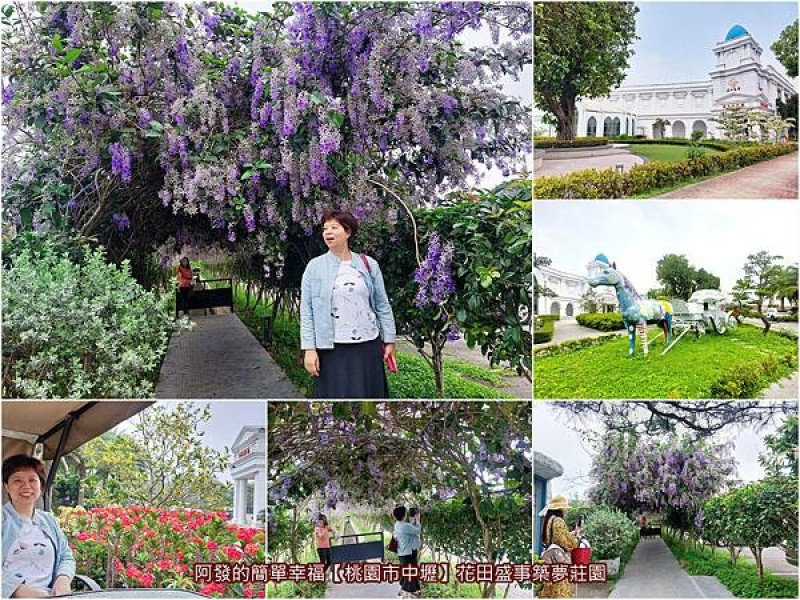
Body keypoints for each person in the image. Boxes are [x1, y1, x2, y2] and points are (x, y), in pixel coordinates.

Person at [300, 210, 397, 398]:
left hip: (367, 345)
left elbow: (382, 305)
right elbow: (307, 311)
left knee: (370, 396)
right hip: (332, 348)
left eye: (334, 228)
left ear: (348, 232)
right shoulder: (314, 267)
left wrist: (390, 340)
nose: (328, 232)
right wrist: (309, 349)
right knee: (336, 398)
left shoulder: (369, 264)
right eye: (325, 228)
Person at [2, 455, 75, 598]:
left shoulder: (49, 520)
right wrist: (18, 590)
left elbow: (66, 556)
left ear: (41, 486)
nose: (26, 486)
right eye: (17, 480)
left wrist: (63, 579)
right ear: (7, 487)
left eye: (32, 480)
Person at [539, 496, 579, 598]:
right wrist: (576, 540)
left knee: (552, 588)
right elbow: (564, 541)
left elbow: (555, 538)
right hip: (560, 559)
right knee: (562, 588)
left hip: (551, 557)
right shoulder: (559, 521)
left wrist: (571, 533)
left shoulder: (548, 520)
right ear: (560, 508)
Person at [393, 506, 421, 598]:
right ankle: (406, 593)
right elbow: (417, 531)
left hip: (402, 553)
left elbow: (409, 529)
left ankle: (413, 590)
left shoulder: (397, 524)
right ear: (404, 515)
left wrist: (413, 522)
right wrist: (418, 520)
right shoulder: (405, 526)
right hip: (408, 553)